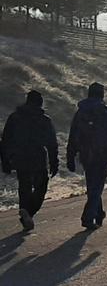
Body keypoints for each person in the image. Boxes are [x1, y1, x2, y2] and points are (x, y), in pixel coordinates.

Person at [66, 82, 107, 230]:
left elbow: (73, 135)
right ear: (102, 95)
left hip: (86, 154)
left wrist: (70, 156)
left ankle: (99, 214)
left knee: (92, 185)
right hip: (103, 154)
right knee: (97, 187)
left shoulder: (80, 113)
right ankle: (88, 217)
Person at [1, 90, 59, 231]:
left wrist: (5, 161)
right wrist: (54, 161)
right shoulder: (44, 120)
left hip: (19, 156)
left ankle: (24, 211)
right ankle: (29, 211)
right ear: (40, 103)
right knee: (41, 186)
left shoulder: (14, 118)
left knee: (24, 185)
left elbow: (5, 141)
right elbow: (51, 143)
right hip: (37, 156)